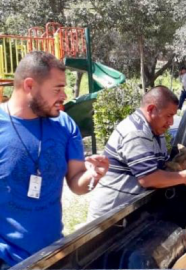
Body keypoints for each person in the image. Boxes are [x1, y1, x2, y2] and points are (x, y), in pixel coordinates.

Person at [0, 51, 109, 268]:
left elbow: (76, 183)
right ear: (29, 85)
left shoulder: (65, 124)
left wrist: (92, 175)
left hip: (54, 255)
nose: (64, 96)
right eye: (58, 88)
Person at [87, 86, 186, 221]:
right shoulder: (136, 133)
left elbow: (164, 170)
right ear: (151, 109)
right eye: (168, 116)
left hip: (132, 215)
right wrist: (185, 177)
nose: (171, 122)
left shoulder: (156, 132)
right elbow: (148, 179)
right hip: (111, 221)